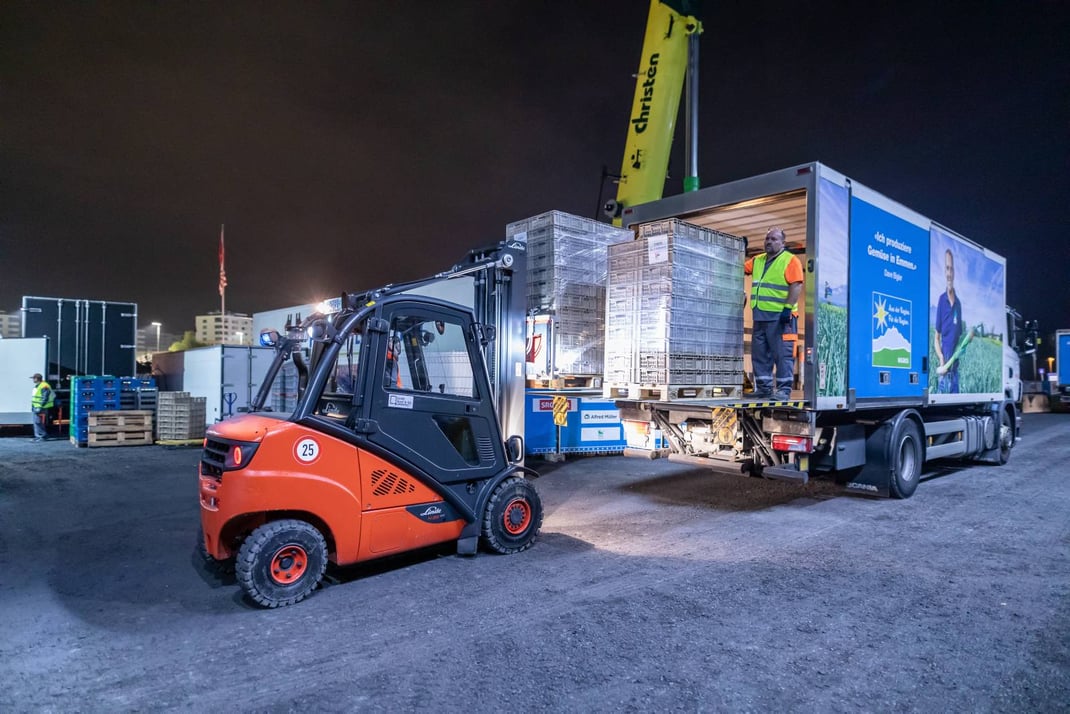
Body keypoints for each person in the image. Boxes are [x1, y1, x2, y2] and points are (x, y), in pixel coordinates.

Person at [744, 227, 804, 400]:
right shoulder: (757, 260)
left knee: (782, 354)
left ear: (783, 243)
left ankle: (784, 391)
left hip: (781, 318)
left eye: (774, 239)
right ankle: (764, 389)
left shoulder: (790, 260)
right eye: (767, 238)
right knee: (760, 354)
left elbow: (796, 285)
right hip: (760, 317)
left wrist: (787, 308)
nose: (769, 241)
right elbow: (740, 268)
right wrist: (740, 249)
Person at [934, 248, 969, 393]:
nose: (949, 273)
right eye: (947, 269)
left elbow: (960, 340)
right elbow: (936, 338)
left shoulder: (958, 305)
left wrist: (963, 346)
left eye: (951, 269)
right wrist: (942, 359)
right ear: (945, 272)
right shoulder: (941, 300)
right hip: (944, 370)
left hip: (955, 373)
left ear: (954, 273)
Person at [30, 373, 54, 442]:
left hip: (40, 407)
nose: (33, 380)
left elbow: (45, 397)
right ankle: (39, 436)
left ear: (37, 378)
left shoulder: (44, 386)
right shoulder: (39, 385)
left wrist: (40, 406)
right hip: (36, 406)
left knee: (38, 422)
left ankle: (42, 436)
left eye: (33, 378)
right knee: (36, 422)